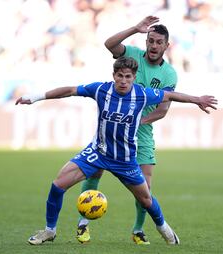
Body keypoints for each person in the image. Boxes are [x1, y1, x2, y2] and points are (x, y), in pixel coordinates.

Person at [16, 56, 217, 245]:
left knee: (146, 200)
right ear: (114, 76)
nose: (123, 80)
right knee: (58, 185)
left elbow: (171, 94)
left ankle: (163, 227)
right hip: (98, 153)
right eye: (120, 76)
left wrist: (197, 99)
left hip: (125, 160)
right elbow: (69, 90)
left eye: (128, 76)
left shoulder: (142, 94)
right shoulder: (100, 90)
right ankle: (49, 230)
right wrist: (35, 97)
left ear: (134, 77)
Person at [76, 16, 179, 245]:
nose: (153, 45)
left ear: (166, 45)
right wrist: (134, 28)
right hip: (112, 127)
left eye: (158, 42)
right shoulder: (130, 54)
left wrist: (138, 121)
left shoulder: (169, 75)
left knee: (145, 187)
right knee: (95, 172)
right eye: (150, 40)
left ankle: (138, 230)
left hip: (141, 134)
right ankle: (83, 224)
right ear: (146, 41)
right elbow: (109, 45)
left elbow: (163, 109)